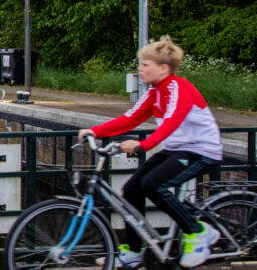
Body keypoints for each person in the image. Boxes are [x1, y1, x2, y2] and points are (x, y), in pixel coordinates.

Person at [77, 37, 222, 268]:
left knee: (154, 185)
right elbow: (130, 118)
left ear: (163, 68)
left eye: (145, 64)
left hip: (201, 150)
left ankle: (198, 232)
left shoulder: (179, 88)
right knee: (132, 189)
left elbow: (171, 122)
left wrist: (143, 145)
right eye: (140, 63)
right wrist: (95, 131)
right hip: (176, 149)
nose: (139, 68)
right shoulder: (155, 92)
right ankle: (135, 251)